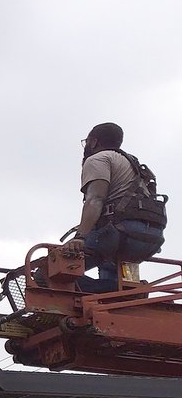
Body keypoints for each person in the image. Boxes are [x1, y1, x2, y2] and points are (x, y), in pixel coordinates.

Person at [66, 123, 166, 293]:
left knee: (48, 273)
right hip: (150, 237)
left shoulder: (98, 159)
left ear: (94, 141)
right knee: (109, 267)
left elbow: (95, 199)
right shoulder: (133, 164)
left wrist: (80, 237)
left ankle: (130, 293)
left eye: (87, 142)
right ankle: (124, 292)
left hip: (120, 233)